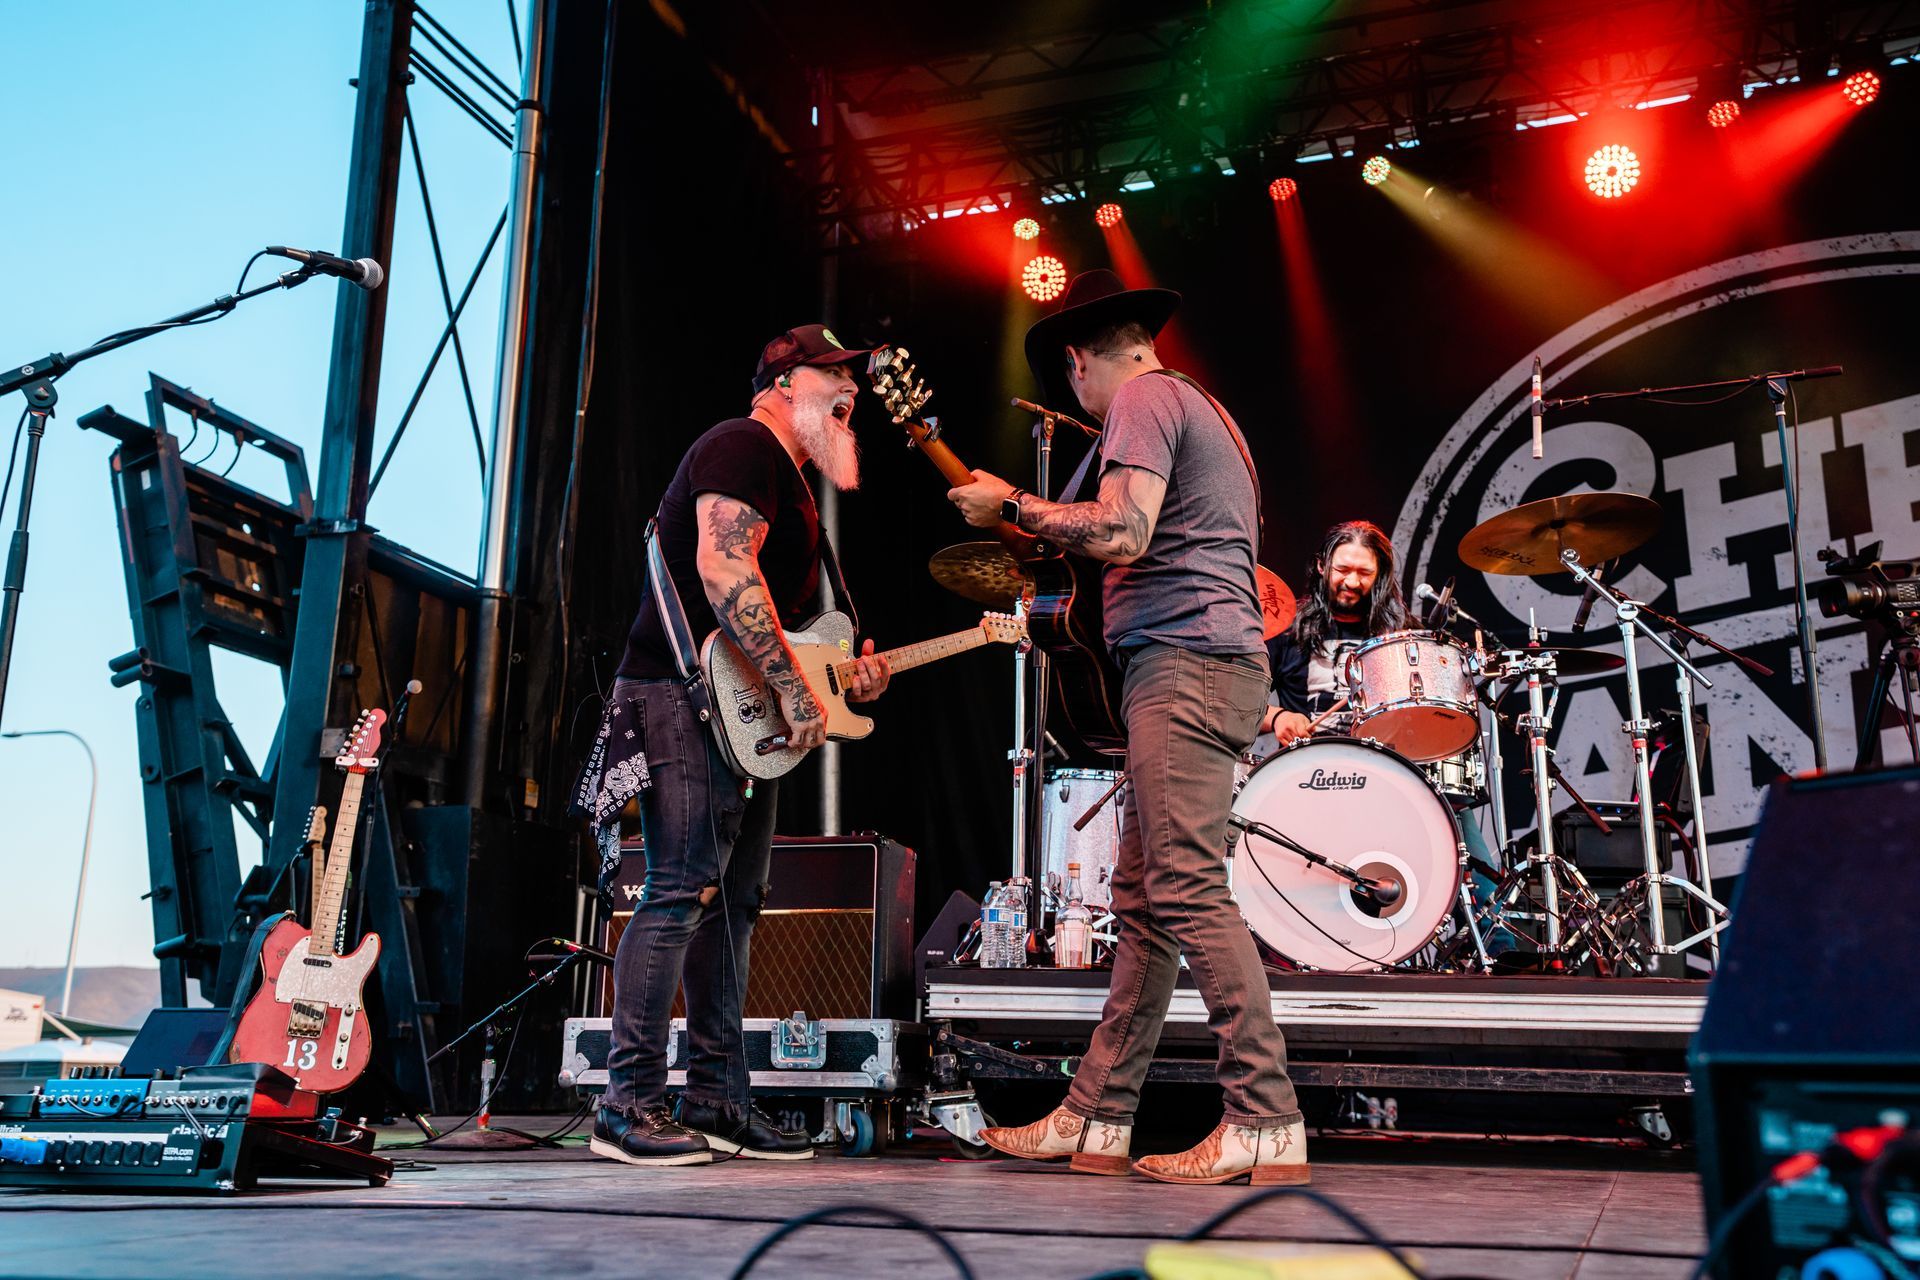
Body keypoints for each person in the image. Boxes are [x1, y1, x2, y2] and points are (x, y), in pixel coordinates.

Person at [947, 269, 1308, 1187]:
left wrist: (1019, 507)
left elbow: (1124, 532)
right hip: (1201, 669)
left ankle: (1265, 1119)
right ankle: (1096, 1117)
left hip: (1185, 667)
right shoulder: (1203, 409)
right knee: (1145, 905)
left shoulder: (1145, 400)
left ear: (1076, 362)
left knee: (1186, 891)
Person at [575, 324, 891, 1167]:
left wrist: (837, 679)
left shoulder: (788, 483)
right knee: (679, 892)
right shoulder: (743, 443)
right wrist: (793, 691)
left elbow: (781, 623)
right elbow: (724, 574)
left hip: (740, 713)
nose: (852, 389)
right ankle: (626, 1103)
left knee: (733, 904)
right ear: (786, 381)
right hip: (682, 696)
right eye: (836, 374)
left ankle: (717, 1097)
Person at [1261, 520, 1408, 745]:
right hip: (1304, 771)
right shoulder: (1286, 630)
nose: (1352, 581)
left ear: (1379, 574)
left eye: (1364, 572)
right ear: (1322, 566)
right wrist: (1278, 717)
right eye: (1342, 570)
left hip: (1379, 766)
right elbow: (1239, 707)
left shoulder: (1398, 635)